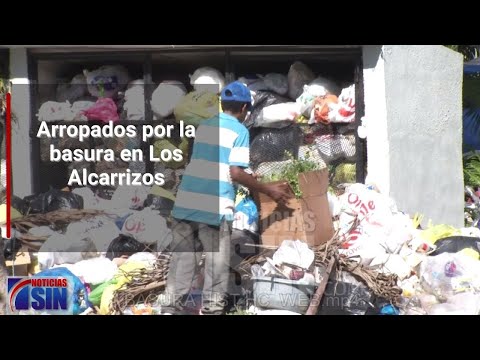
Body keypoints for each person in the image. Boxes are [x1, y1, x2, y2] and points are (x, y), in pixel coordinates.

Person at [160, 81, 293, 315]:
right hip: (214, 206)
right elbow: (235, 172)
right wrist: (267, 189)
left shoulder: (204, 126)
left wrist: (250, 177)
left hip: (186, 204)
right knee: (216, 265)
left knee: (183, 262)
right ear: (243, 108)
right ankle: (212, 311)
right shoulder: (239, 130)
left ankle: (169, 309)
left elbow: (215, 161)